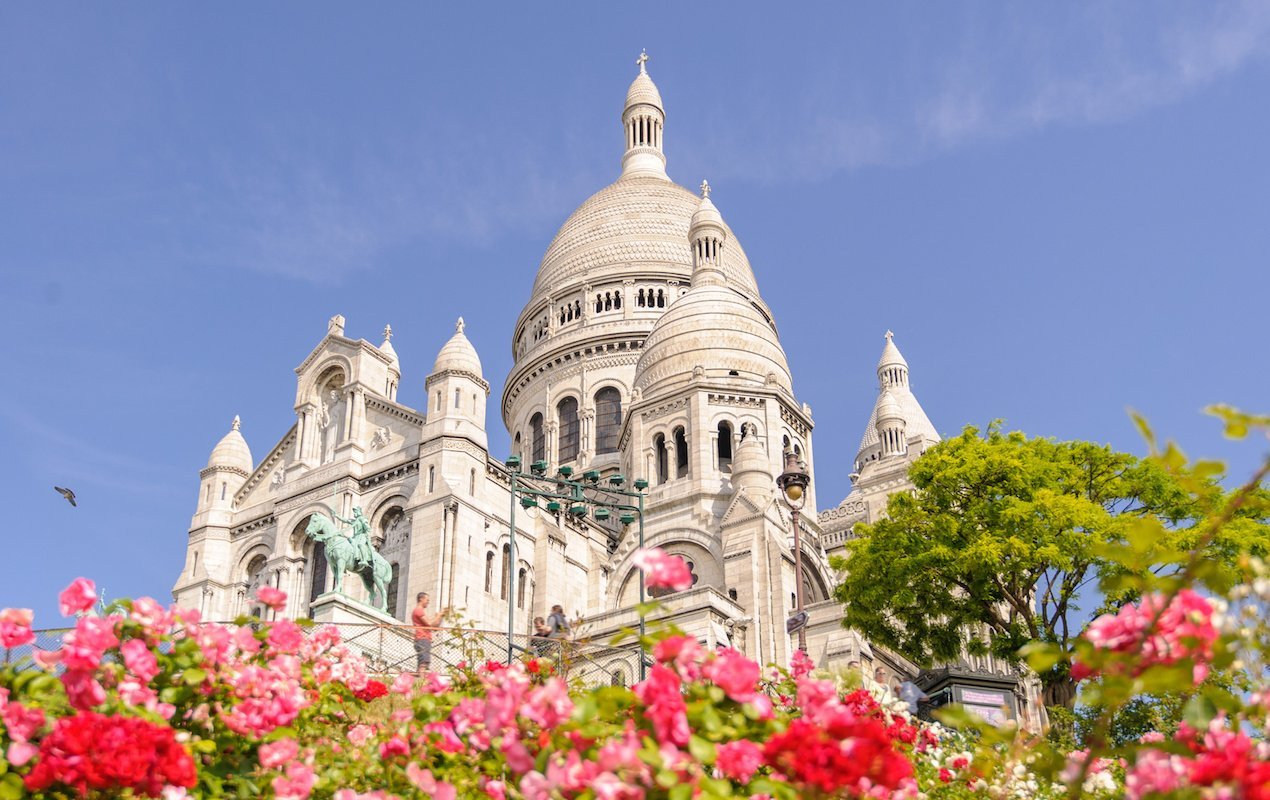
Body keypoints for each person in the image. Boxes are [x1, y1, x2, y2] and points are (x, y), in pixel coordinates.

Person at [411, 592, 445, 675]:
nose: (428, 602)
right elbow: (429, 623)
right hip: (422, 638)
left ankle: (420, 679)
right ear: (421, 599)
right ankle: (421, 680)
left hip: (424, 639)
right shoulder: (418, 610)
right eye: (427, 600)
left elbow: (433, 627)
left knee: (423, 662)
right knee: (424, 662)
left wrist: (439, 617)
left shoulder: (420, 611)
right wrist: (438, 615)